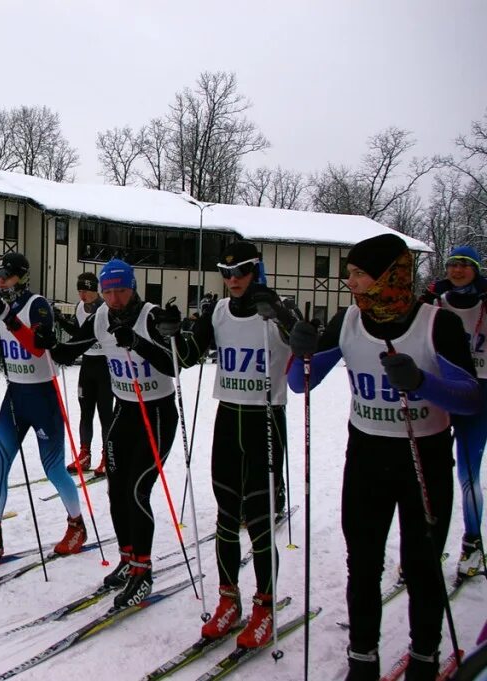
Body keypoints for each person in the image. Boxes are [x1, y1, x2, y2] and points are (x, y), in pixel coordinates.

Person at [288, 233, 479, 681]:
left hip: (424, 455)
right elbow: (301, 384)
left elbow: (471, 399)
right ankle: (362, 658)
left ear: (387, 276)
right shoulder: (348, 321)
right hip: (368, 454)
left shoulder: (438, 323)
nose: (349, 282)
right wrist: (300, 351)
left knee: (422, 563)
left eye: (357, 274)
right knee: (364, 561)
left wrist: (422, 383)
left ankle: (425, 658)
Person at [170, 240, 297, 647]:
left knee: (259, 519)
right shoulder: (220, 311)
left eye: (240, 272)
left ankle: (265, 604)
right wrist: (172, 332)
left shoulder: (276, 308)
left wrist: (281, 316)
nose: (232, 280)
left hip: (264, 420)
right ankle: (229, 600)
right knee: (226, 515)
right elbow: (189, 356)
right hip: (228, 418)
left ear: (255, 270)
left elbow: (307, 350)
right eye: (226, 273)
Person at [46, 258, 179, 606]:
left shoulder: (150, 315)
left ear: (132, 287)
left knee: (137, 490)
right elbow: (71, 347)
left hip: (157, 413)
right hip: (125, 411)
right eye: (108, 291)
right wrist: (45, 341)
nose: (114, 298)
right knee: (116, 489)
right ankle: (127, 557)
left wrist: (137, 342)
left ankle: (143, 570)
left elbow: (174, 364)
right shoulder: (102, 315)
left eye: (120, 290)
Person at [0, 253, 86, 566]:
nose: (0, 280)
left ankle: (76, 524)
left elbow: (38, 346)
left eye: (6, 275)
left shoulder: (37, 304)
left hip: (43, 396)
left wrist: (9, 317)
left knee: (53, 468)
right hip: (15, 394)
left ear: (21, 276)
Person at [421, 245, 487, 579]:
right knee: (426, 469)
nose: (457, 270)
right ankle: (424, 546)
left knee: (468, 473)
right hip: (442, 388)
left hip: (479, 392)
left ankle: (472, 542)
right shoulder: (437, 301)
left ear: (476, 269)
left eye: (465, 265)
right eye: (452, 264)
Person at [54, 271, 113, 476]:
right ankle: (84, 453)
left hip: (105, 364)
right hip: (87, 364)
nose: (82, 295)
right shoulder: (80, 307)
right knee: (85, 411)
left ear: (94, 289)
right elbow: (80, 335)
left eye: (85, 290)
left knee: (106, 413)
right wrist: (61, 320)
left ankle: (108, 455)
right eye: (79, 290)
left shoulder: (106, 308)